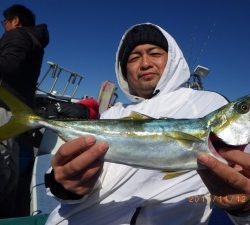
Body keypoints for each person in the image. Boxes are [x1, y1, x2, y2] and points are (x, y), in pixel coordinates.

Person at [44, 23, 249, 224]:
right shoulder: (112, 114)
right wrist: (63, 185)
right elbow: (65, 180)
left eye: (155, 53)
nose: (145, 63)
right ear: (124, 70)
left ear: (173, 60)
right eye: (134, 58)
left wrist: (243, 208)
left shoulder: (209, 103)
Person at [0, 4, 49, 218]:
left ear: (16, 21)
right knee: (9, 165)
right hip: (17, 107)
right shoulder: (33, 40)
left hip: (5, 106)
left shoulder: (18, 35)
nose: (3, 26)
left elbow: (9, 66)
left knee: (3, 163)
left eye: (5, 22)